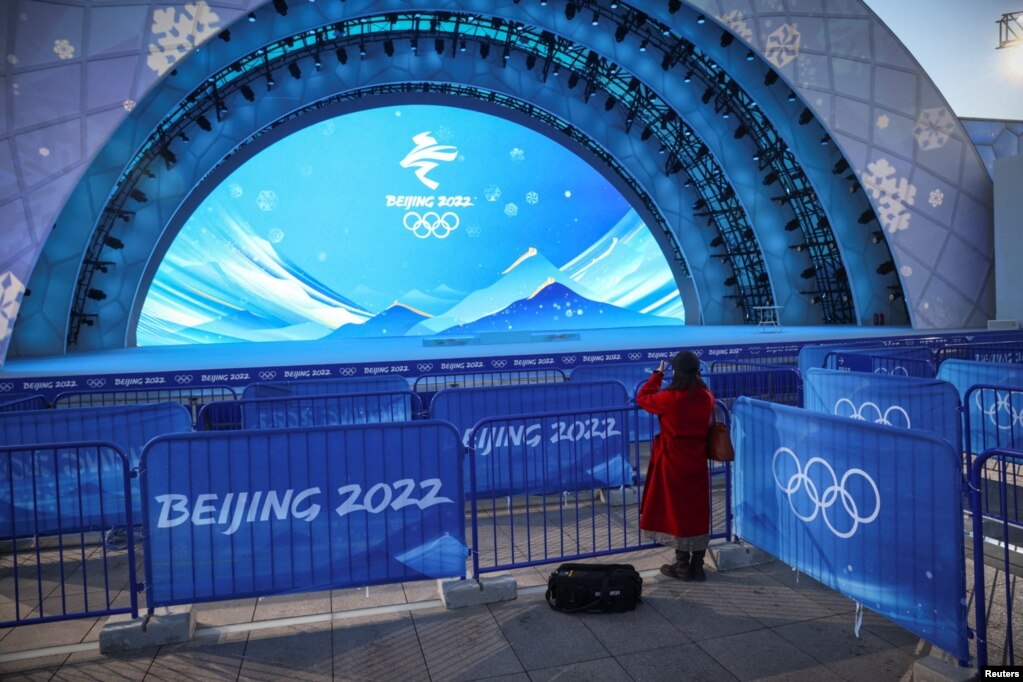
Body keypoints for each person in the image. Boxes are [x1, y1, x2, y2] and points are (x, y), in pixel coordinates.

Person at [636, 350, 715, 581]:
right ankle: (697, 566)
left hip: (672, 463)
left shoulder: (670, 397)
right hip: (697, 461)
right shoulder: (706, 396)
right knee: (698, 511)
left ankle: (681, 566)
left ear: (677, 372)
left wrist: (657, 375)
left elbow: (643, 397)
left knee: (677, 513)